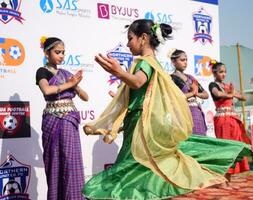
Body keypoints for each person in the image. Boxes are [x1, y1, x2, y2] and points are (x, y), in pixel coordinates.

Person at [82, 19, 251, 199]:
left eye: (130, 38)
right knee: (144, 167)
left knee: (135, 166)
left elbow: (138, 81)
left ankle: (203, 176)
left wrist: (119, 72)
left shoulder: (145, 62)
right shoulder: (154, 63)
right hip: (139, 121)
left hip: (141, 124)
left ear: (143, 38)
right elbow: (143, 90)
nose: (127, 44)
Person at [36, 37, 88, 200]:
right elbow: (47, 90)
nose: (61, 56)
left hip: (69, 120)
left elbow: (85, 97)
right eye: (57, 52)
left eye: (63, 53)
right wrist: (69, 84)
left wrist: (76, 85)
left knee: (70, 162)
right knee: (55, 162)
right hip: (53, 119)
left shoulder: (66, 74)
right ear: (46, 53)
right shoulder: (42, 71)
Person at [209, 60, 251, 174]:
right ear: (214, 72)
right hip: (222, 120)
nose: (224, 74)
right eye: (221, 72)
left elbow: (243, 97)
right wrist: (230, 94)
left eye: (225, 72)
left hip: (233, 119)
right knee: (225, 147)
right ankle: (222, 177)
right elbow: (217, 94)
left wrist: (234, 92)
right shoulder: (213, 85)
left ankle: (230, 177)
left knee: (235, 146)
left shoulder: (228, 87)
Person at [170, 49, 208, 136]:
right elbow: (174, 97)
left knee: (200, 139)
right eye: (182, 60)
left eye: (186, 60)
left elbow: (206, 94)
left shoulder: (190, 77)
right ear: (173, 62)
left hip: (197, 113)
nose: (185, 62)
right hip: (183, 113)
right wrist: (192, 93)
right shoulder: (171, 78)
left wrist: (196, 93)